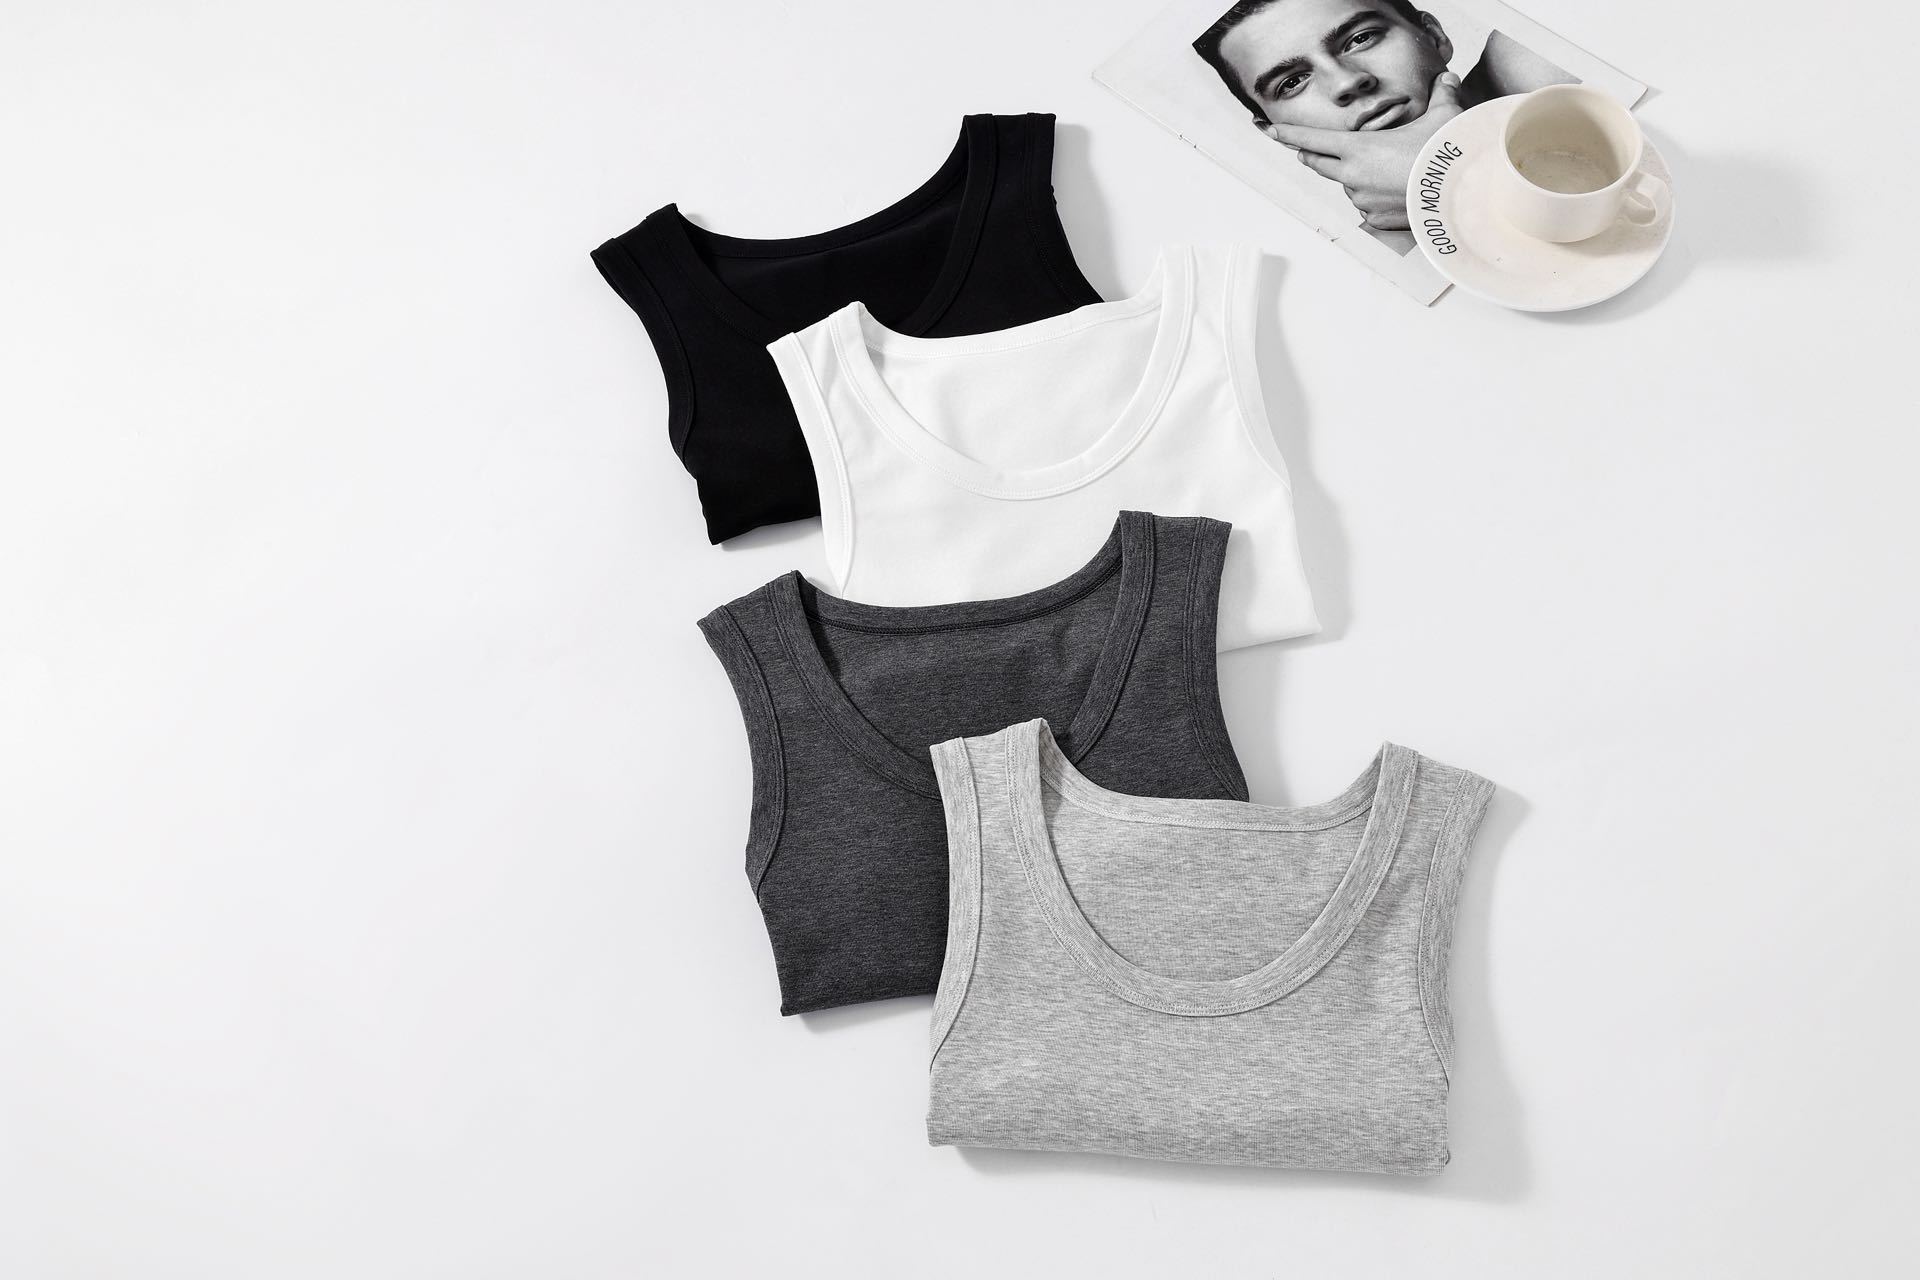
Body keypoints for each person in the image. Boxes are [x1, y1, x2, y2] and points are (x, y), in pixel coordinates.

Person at [1194, 0, 1572, 253]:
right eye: (1291, 82)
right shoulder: (1365, 269)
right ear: (1272, 131)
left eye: (1360, 39)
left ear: (1435, 37)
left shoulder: (1537, 60)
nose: (1346, 82)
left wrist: (1448, 181)